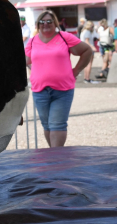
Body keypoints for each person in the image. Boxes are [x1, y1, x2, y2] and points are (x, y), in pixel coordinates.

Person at [25, 10, 92, 148]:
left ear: (55, 23)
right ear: (37, 25)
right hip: (40, 91)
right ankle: (55, 156)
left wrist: (76, 70)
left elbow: (87, 51)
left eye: (49, 21)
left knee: (57, 125)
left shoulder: (64, 37)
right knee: (47, 125)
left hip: (63, 90)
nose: (45, 24)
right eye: (42, 22)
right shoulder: (32, 41)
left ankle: (57, 160)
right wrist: (35, 71)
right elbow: (25, 61)